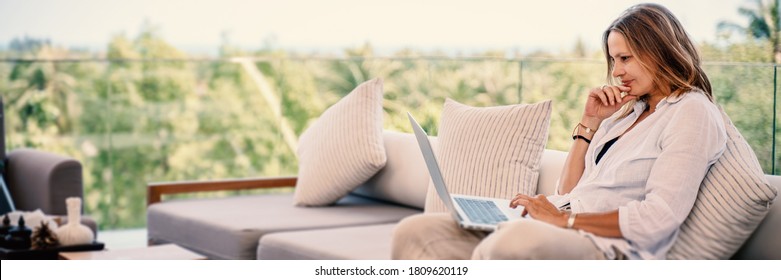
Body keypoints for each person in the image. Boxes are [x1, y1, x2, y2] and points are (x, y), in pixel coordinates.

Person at [391, 3, 727, 260]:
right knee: (414, 231)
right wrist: (589, 124)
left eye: (626, 58)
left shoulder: (691, 112)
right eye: (613, 60)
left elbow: (659, 218)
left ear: (660, 51)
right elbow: (568, 190)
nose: (617, 72)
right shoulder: (628, 114)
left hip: (604, 246)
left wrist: (561, 221)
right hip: (563, 224)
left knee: (511, 243)